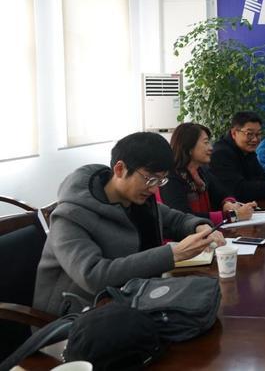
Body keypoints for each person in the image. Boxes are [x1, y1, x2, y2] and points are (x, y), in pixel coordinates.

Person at [33, 132, 226, 316]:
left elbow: (176, 220)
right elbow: (93, 276)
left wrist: (200, 227)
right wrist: (173, 254)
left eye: (160, 181)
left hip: (132, 300)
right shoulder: (70, 216)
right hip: (75, 319)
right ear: (120, 169)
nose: (154, 189)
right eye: (150, 179)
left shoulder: (136, 200)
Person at [159, 122, 256, 225]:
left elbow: (223, 194)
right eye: (206, 143)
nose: (211, 148)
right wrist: (233, 216)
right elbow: (184, 217)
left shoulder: (201, 171)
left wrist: (228, 204)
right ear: (189, 147)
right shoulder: (171, 177)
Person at [210, 112, 265, 203]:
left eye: (258, 134)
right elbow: (239, 190)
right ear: (234, 133)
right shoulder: (221, 154)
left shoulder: (247, 151)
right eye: (249, 134)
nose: (255, 139)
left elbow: (264, 179)